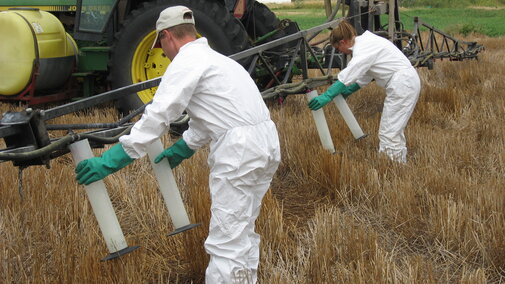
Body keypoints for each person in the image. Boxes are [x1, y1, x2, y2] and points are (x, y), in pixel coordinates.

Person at [75, 6, 281, 283]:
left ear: (168, 36)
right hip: (265, 144)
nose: (163, 52)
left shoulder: (186, 61)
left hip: (239, 151)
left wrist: (115, 158)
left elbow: (159, 114)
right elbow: (214, 115)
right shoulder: (220, 61)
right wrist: (185, 146)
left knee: (225, 240)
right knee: (242, 229)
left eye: (161, 45)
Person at [308, 20, 421, 163]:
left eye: (338, 48)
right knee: (393, 129)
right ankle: (398, 164)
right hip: (405, 82)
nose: (339, 52)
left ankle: (391, 168)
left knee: (389, 132)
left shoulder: (363, 49)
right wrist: (348, 91)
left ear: (342, 42)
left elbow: (349, 75)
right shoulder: (367, 42)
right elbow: (366, 75)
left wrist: (327, 96)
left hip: (403, 84)